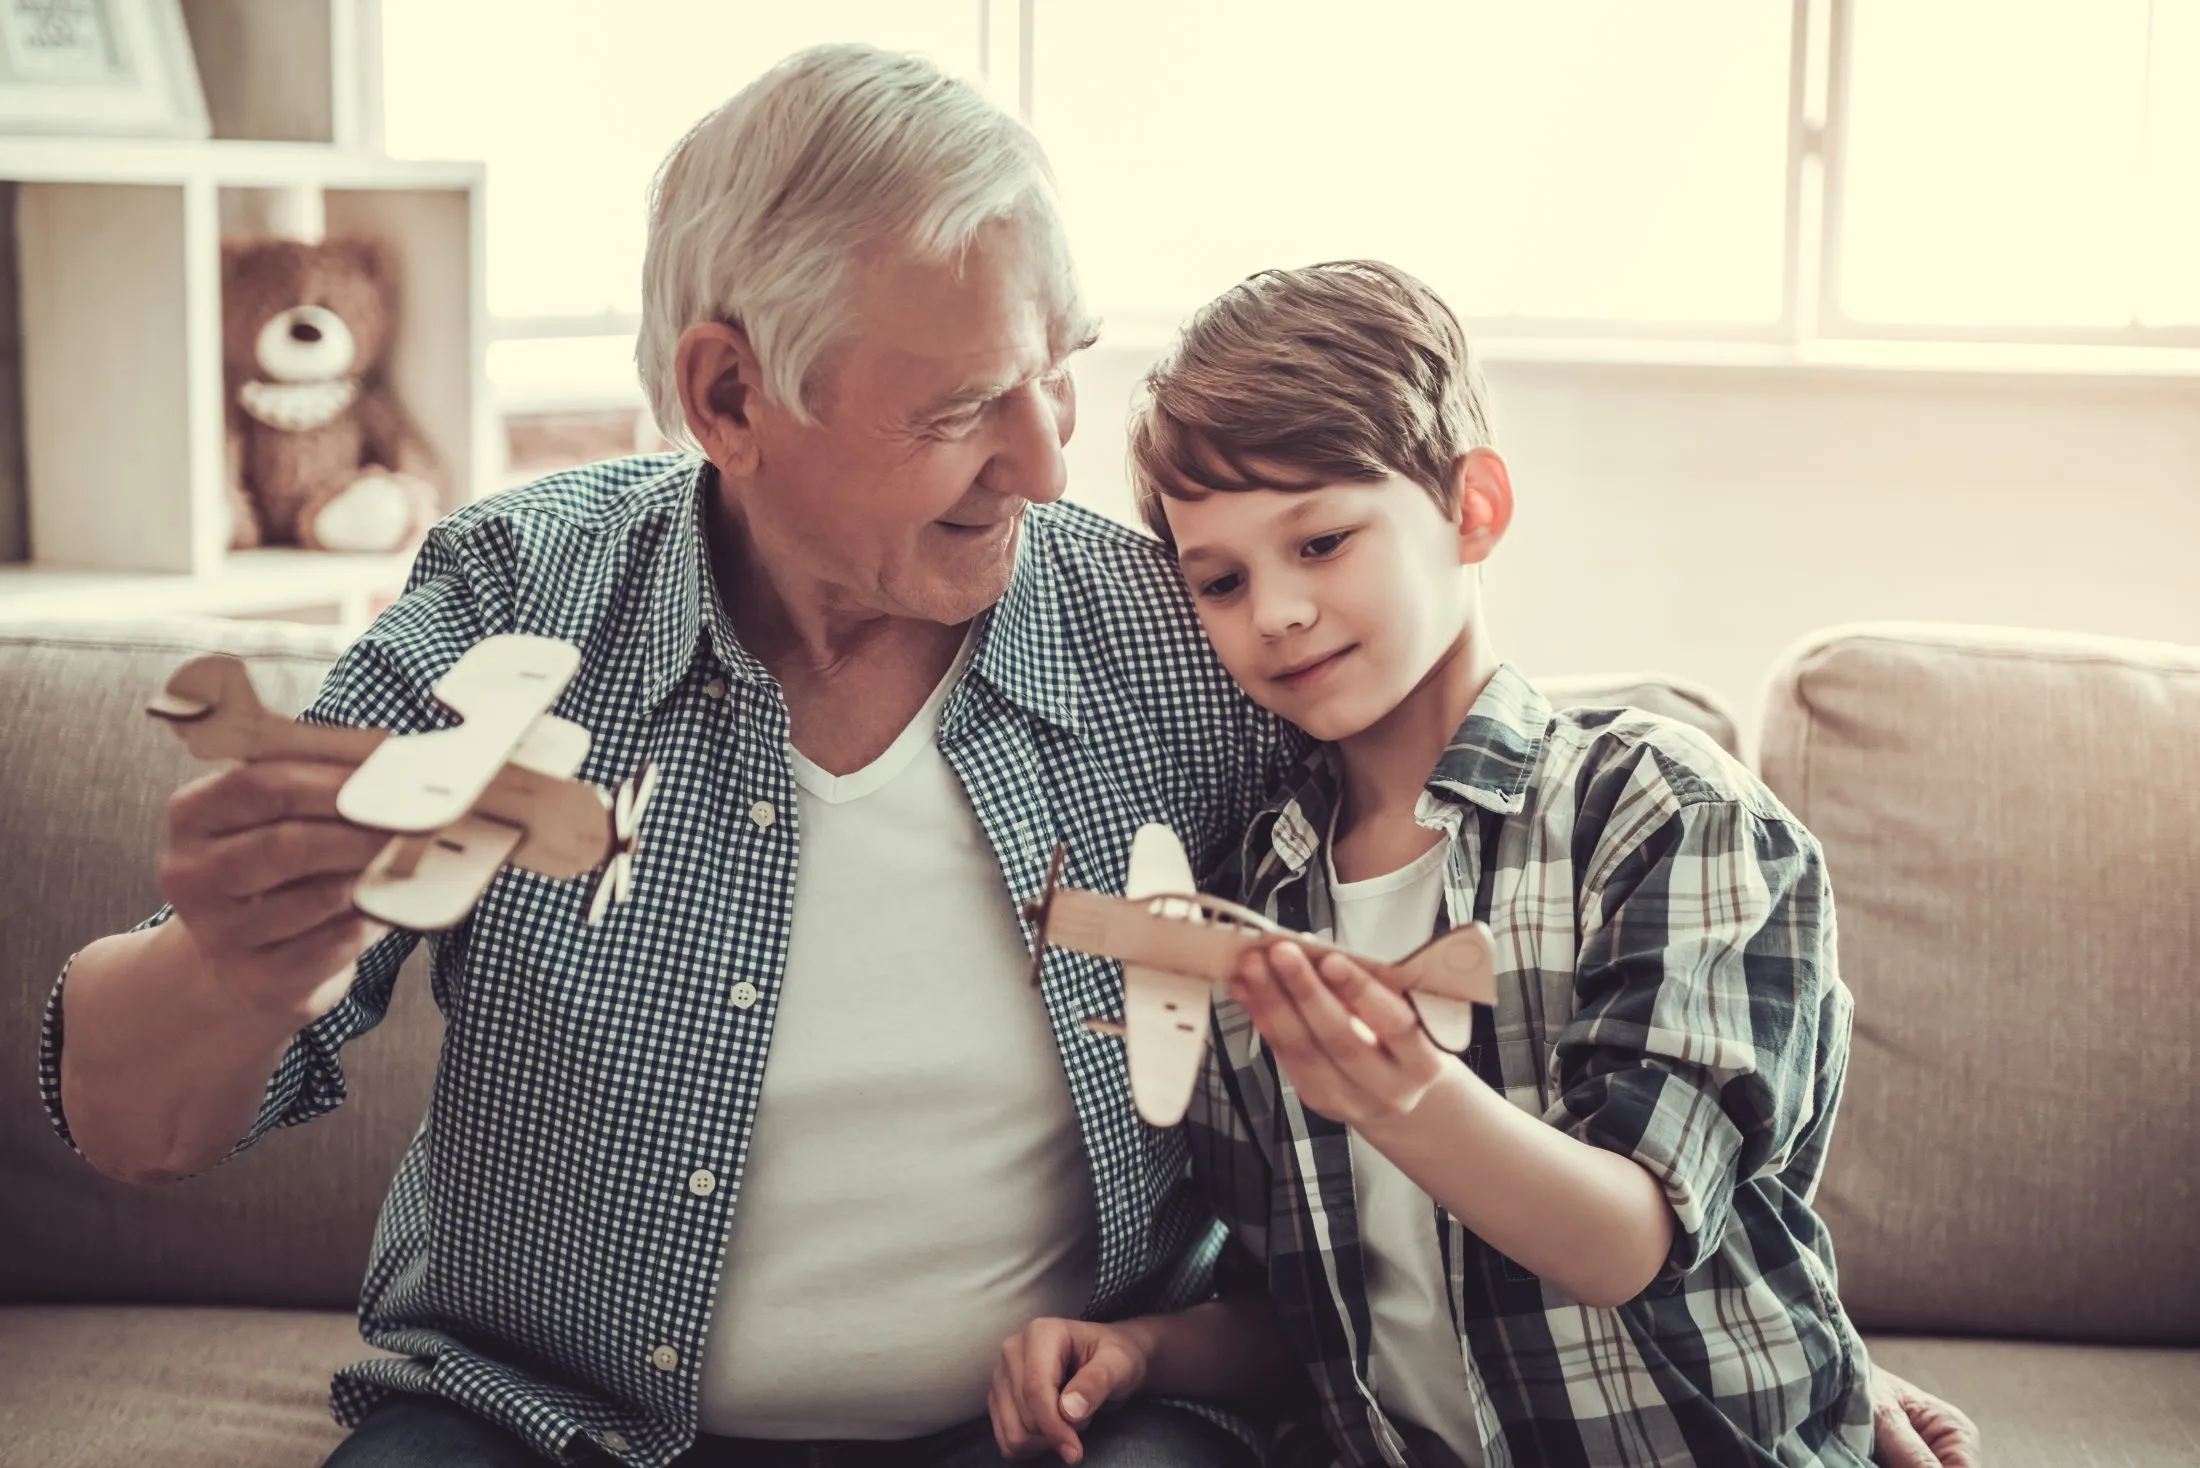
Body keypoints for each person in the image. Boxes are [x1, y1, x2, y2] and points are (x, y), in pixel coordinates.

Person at [37, 42, 1973, 1468]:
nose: (1050, 467)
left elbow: (1536, 958)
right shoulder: (515, 601)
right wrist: (235, 951)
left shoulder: (1173, 631)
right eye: (966, 404)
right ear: (729, 391)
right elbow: (139, 1125)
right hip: (537, 1417)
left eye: (1061, 368)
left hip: (1062, 1423)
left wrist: (1786, 1351)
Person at [986, 262, 1981, 1468]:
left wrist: (1406, 1094)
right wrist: (1144, 1348)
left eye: (1321, 539)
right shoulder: (1252, 884)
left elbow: (1629, 1237)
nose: (1278, 612)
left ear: (1472, 510)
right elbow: (1313, 1315)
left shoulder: (1664, 811)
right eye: (1222, 580)